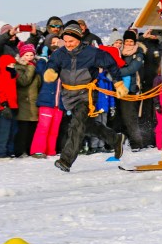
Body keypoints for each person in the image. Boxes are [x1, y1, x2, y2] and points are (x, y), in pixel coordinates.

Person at [44, 24, 128, 172]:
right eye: (66, 41)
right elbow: (53, 63)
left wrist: (119, 84)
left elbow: (111, 64)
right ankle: (116, 139)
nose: (68, 45)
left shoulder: (92, 53)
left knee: (76, 125)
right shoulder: (60, 53)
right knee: (87, 125)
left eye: (71, 41)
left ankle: (66, 160)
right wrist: (51, 71)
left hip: (87, 95)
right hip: (68, 95)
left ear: (78, 38)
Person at [117, 29, 147, 151]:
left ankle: (136, 142)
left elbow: (132, 69)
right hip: (117, 88)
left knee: (130, 117)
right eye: (127, 41)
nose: (129, 43)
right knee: (119, 117)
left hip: (130, 89)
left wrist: (115, 72)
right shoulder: (118, 52)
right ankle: (120, 141)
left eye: (131, 41)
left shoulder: (138, 53)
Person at [13, 43, 42, 157]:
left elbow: (38, 85)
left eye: (31, 55)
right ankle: (20, 151)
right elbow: (23, 82)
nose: (29, 57)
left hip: (33, 103)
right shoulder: (18, 67)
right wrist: (31, 67)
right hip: (24, 102)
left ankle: (29, 150)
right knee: (23, 130)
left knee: (32, 130)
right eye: (26, 55)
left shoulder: (34, 67)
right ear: (21, 56)